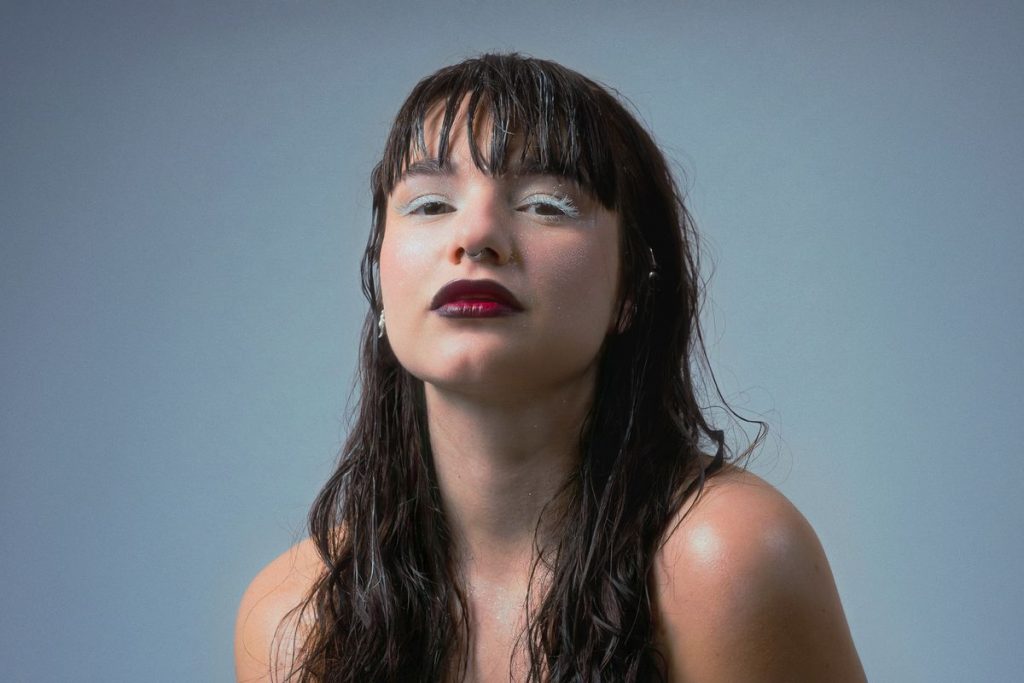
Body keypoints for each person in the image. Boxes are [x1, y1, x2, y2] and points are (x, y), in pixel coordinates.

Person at [235, 53, 866, 682]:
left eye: (546, 205)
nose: (476, 236)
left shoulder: (723, 560)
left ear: (631, 290)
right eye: (429, 205)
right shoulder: (293, 619)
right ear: (379, 277)